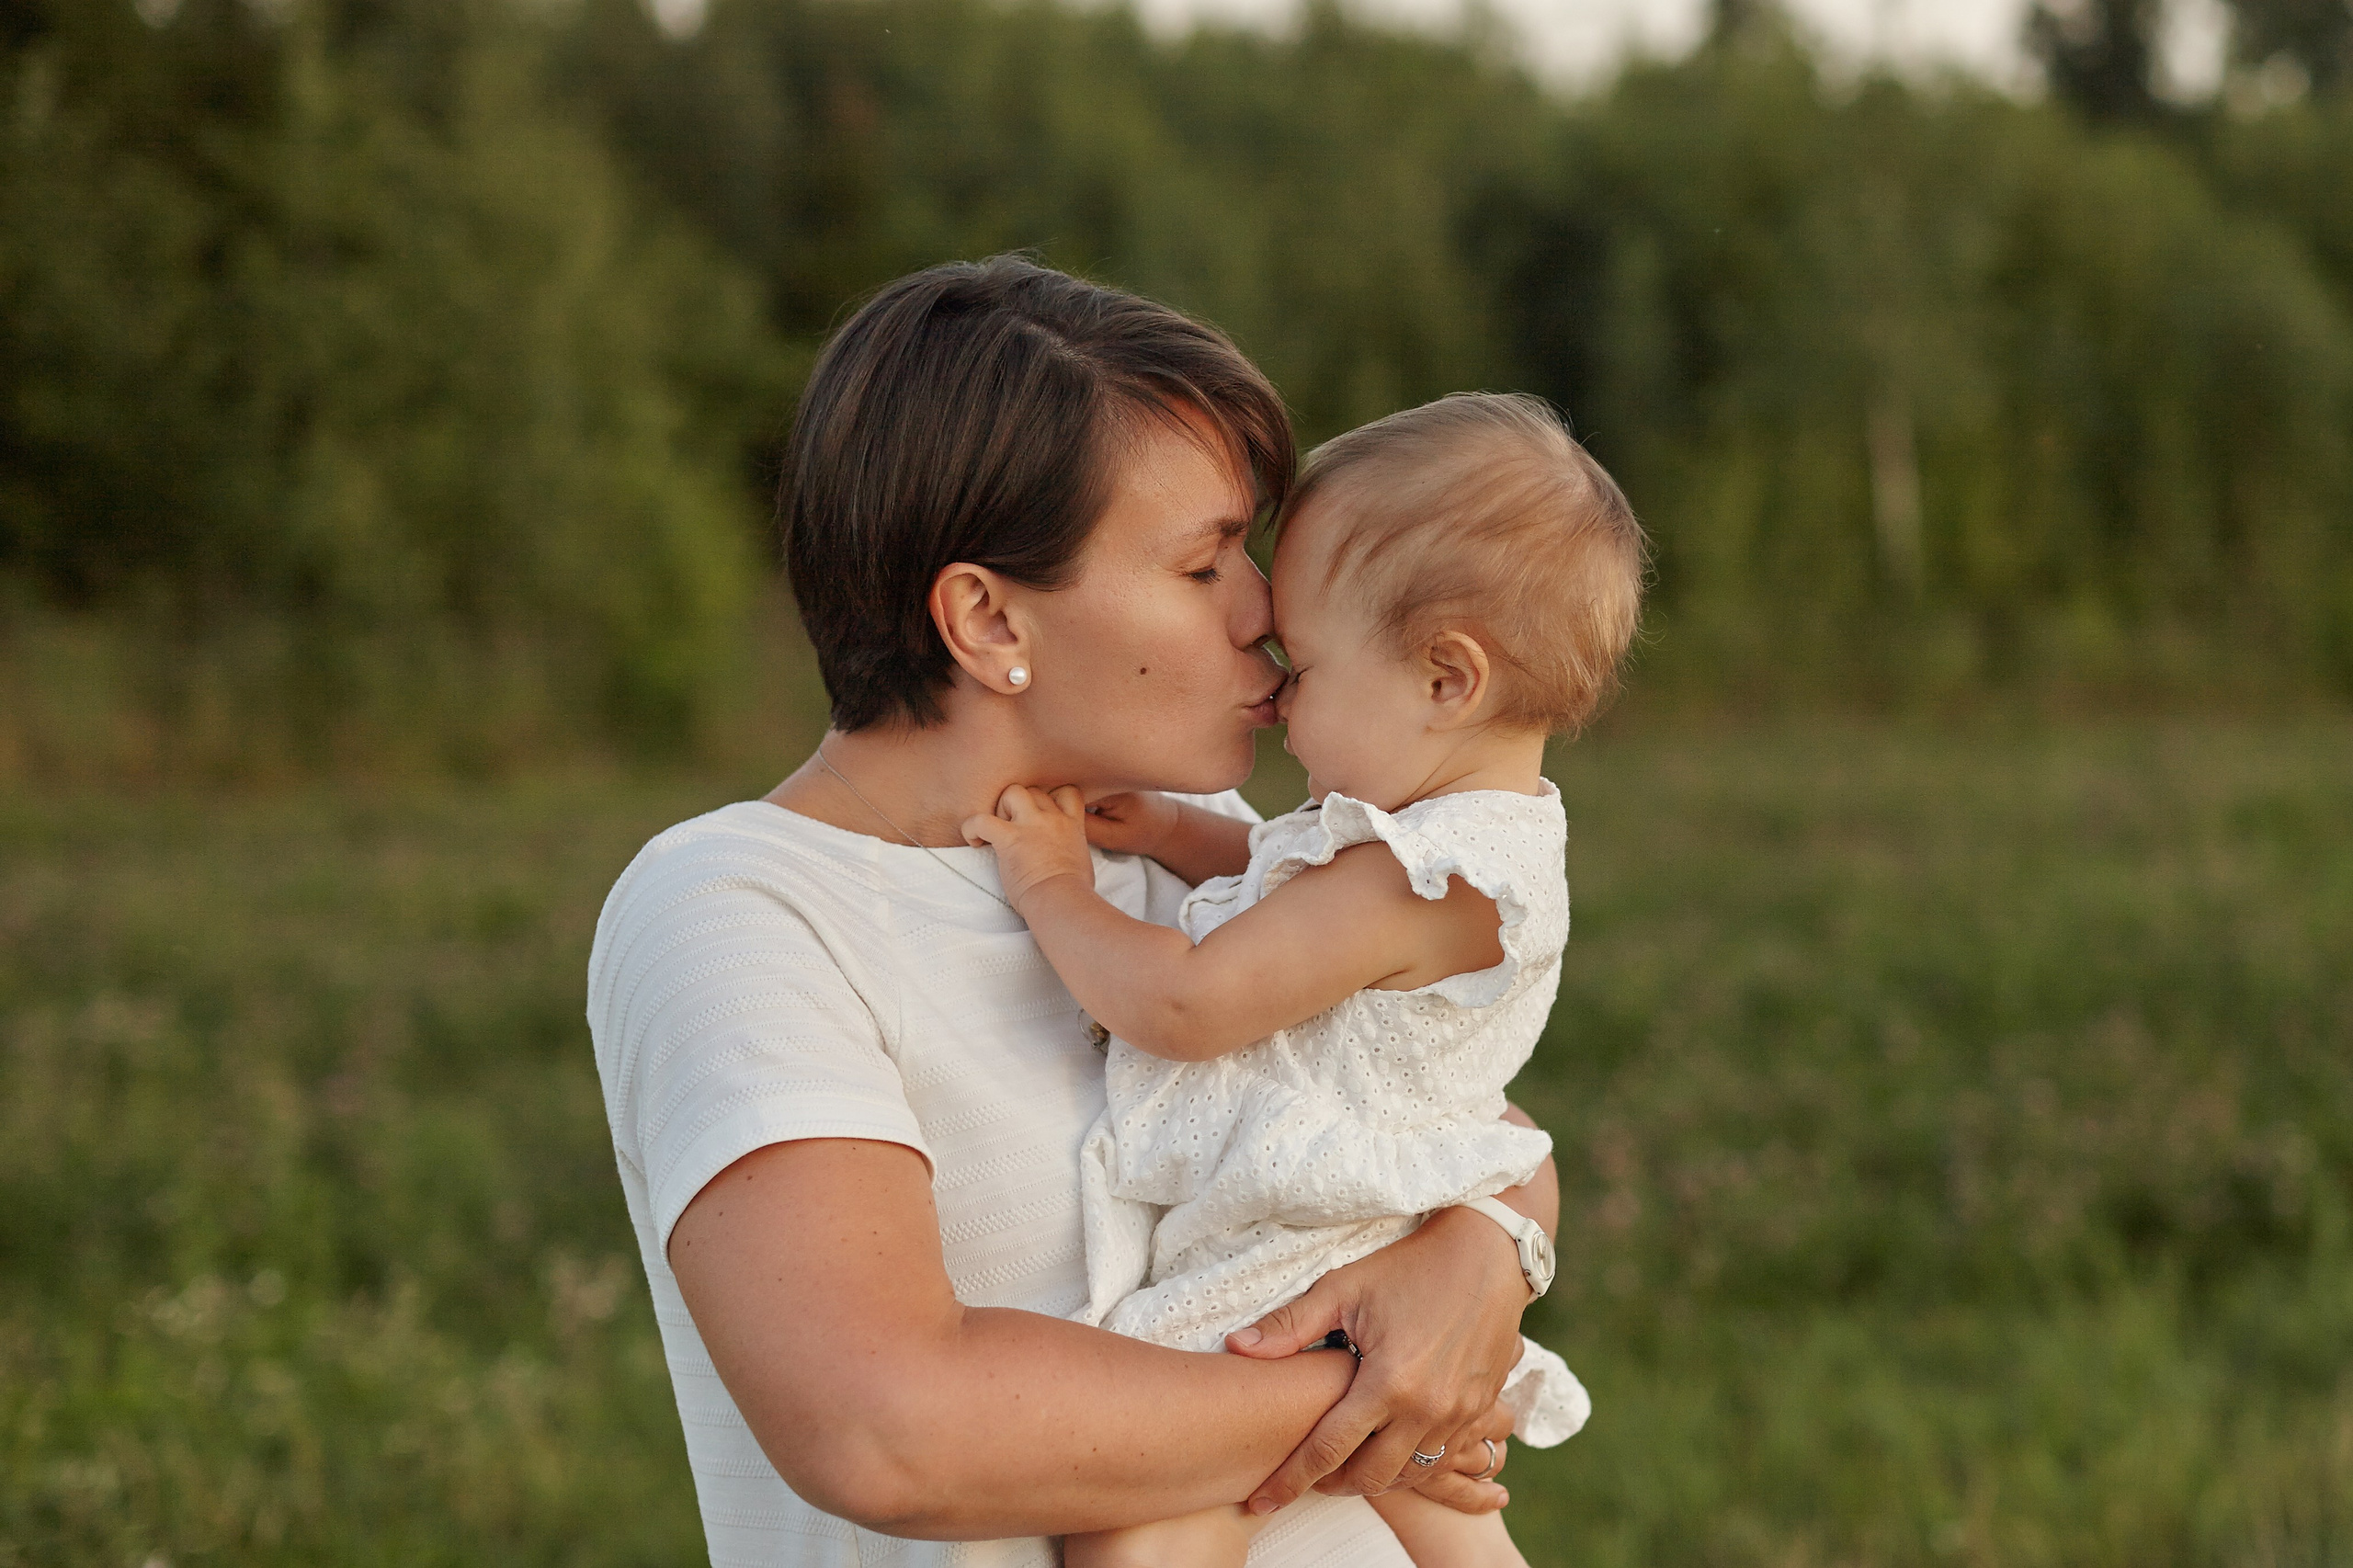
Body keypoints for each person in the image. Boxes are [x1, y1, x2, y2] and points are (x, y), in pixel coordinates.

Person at [585, 257, 1563, 1566]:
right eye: (1206, 560)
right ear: (988, 619)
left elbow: (1466, 1122)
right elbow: (893, 1427)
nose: (1265, 609)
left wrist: (1484, 1261)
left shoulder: (1179, 874)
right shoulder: (741, 909)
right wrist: (1382, 1396)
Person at [962, 393, 1643, 1567]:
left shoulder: (1426, 874)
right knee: (1455, 1524)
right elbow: (1299, 897)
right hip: (1364, 1231)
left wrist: (1051, 882)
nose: (1278, 694)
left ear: (1446, 679)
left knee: (1141, 1521)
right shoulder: (1455, 836)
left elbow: (1186, 1003)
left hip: (1301, 1253)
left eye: (1309, 665)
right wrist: (1181, 833)